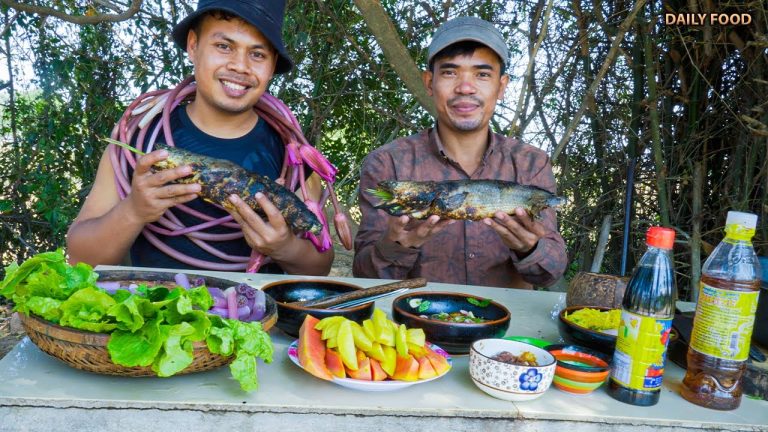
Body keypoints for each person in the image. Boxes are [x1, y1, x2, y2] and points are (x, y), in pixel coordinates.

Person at [66, 0, 333, 275]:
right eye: (224, 46)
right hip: (158, 312)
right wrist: (133, 211)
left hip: (256, 314)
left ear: (273, 63)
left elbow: (320, 264)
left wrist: (285, 247)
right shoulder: (139, 137)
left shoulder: (292, 152)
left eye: (257, 54)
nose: (240, 66)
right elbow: (79, 259)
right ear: (193, 45)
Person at [353, 17, 566, 288]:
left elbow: (552, 272)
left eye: (482, 74)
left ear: (501, 87)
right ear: (429, 82)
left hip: (507, 325)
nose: (465, 87)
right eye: (450, 72)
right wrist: (395, 246)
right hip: (412, 324)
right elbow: (363, 275)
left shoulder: (530, 163)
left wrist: (531, 249)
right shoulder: (387, 163)